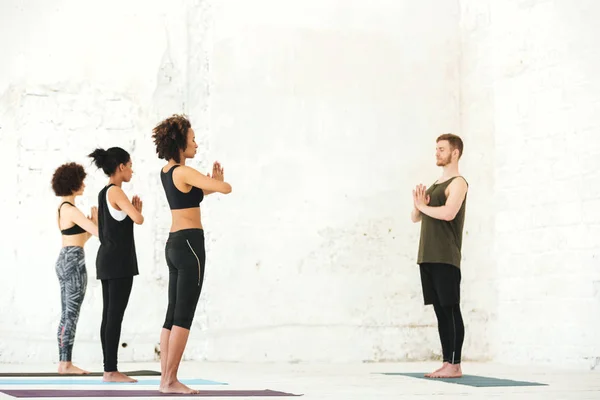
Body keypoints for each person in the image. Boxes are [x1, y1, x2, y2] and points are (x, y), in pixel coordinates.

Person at [152, 114, 232, 394]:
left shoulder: (167, 172)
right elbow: (226, 187)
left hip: (173, 244)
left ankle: (165, 379)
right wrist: (216, 183)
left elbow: (190, 196)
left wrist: (208, 186)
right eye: (193, 140)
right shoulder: (185, 172)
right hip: (189, 246)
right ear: (179, 143)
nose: (196, 144)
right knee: (183, 316)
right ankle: (170, 380)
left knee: (171, 315)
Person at [411, 133, 469, 379]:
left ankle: (455, 365)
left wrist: (424, 207)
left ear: (454, 153)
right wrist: (418, 204)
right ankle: (447, 362)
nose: (437, 152)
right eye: (436, 148)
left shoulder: (458, 183)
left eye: (441, 149)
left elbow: (448, 213)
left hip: (446, 256)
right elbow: (416, 217)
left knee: (451, 308)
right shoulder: (435, 184)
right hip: (427, 255)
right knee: (439, 311)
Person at [88, 147, 144, 383]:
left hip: (107, 260)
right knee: (114, 316)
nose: (132, 170)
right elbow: (138, 219)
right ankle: (111, 370)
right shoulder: (117, 192)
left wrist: (132, 213)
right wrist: (136, 210)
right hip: (119, 263)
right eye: (130, 165)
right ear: (121, 167)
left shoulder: (103, 193)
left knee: (109, 315)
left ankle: (108, 368)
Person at [51, 162, 99, 375]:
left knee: (67, 314)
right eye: (81, 181)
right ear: (72, 184)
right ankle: (65, 364)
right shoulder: (71, 209)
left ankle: (64, 362)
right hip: (73, 262)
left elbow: (79, 238)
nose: (84, 185)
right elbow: (99, 233)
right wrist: (97, 222)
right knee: (70, 314)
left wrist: (93, 225)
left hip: (67, 258)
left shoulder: (63, 209)